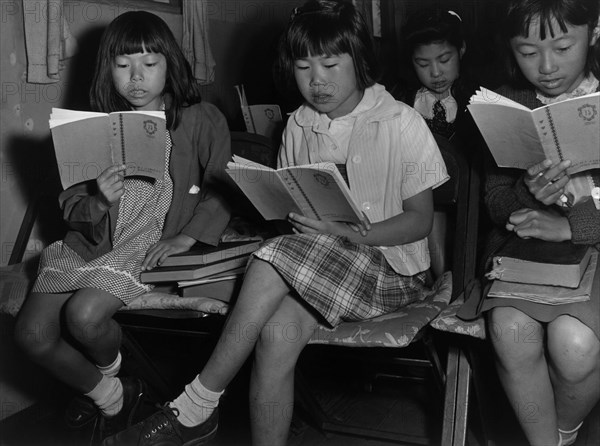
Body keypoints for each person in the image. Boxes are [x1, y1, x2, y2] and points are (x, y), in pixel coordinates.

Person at [102, 1, 448, 445]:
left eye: (329, 64)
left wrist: (345, 232)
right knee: (274, 338)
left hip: (394, 271)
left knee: (270, 258)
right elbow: (288, 210)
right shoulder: (298, 126)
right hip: (322, 265)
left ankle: (197, 405)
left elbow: (419, 222)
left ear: (358, 61)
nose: (316, 80)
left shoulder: (402, 121)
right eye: (303, 67)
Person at [14, 10, 231, 442]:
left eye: (149, 64)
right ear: (106, 68)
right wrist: (97, 199)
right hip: (88, 244)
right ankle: (114, 393)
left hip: (148, 241)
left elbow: (226, 185)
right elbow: (71, 206)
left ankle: (115, 378)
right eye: (123, 64)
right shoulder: (92, 128)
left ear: (170, 64)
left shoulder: (199, 118)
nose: (136, 77)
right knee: (32, 336)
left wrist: (187, 235)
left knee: (84, 317)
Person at [469, 1, 600, 445]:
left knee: (575, 345)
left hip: (595, 252)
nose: (546, 67)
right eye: (527, 52)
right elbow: (496, 200)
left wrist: (571, 226)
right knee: (510, 329)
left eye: (563, 47)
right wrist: (530, 195)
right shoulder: (509, 106)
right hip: (527, 257)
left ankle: (560, 435)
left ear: (594, 33)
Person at [397, 8, 477, 141]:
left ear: (461, 49)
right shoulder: (400, 102)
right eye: (423, 64)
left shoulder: (477, 100)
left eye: (444, 60)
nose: (435, 73)